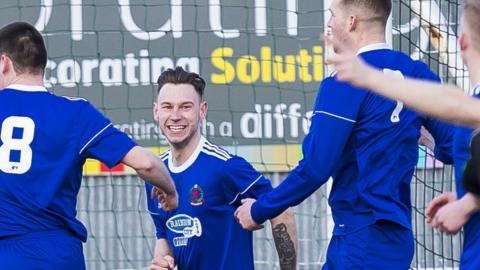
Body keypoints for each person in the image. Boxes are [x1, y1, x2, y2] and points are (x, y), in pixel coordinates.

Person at [235, 0, 455, 269]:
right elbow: (454, 147)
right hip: (395, 238)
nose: (328, 23)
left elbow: (315, 169)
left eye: (332, 15)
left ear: (351, 21)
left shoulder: (345, 79)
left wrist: (258, 210)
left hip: (359, 238)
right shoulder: (418, 73)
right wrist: (426, 138)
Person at [0, 21, 178, 270]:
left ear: (4, 62)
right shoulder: (76, 113)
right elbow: (147, 164)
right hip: (59, 254)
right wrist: (170, 192)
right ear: (42, 64)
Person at [325, 0, 480, 267]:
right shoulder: (469, 104)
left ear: (462, 41)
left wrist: (470, 203)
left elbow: (456, 105)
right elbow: (456, 105)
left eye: (332, 15)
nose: (329, 23)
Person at [146, 67, 297, 270]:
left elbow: (283, 210)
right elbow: (164, 234)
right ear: (156, 111)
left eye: (185, 107)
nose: (175, 116)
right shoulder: (155, 173)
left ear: (202, 110)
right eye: (167, 107)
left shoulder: (226, 166)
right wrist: (163, 261)